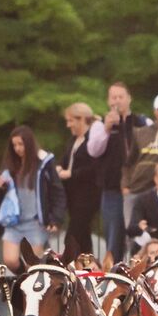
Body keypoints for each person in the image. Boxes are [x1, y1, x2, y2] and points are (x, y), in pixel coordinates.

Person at [0, 125, 66, 266]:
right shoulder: (11, 166)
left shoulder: (43, 163)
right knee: (10, 260)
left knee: (33, 263)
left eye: (21, 144)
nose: (18, 148)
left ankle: (29, 280)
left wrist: (56, 218)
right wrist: (1, 187)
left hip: (35, 222)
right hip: (14, 221)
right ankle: (22, 278)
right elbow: (4, 195)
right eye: (14, 145)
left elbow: (57, 191)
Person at [95, 83, 144, 263]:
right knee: (114, 237)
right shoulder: (100, 125)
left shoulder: (142, 122)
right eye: (113, 97)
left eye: (120, 97)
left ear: (129, 98)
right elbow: (94, 150)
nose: (117, 101)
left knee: (137, 235)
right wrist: (107, 129)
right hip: (112, 189)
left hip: (138, 189)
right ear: (108, 101)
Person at [56, 102, 103, 264]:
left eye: (71, 121)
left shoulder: (93, 139)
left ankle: (68, 264)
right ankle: (88, 267)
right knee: (83, 237)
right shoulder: (74, 139)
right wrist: (59, 168)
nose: (68, 125)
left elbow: (93, 167)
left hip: (87, 194)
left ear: (82, 119)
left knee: (73, 236)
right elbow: (66, 159)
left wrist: (70, 173)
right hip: (73, 194)